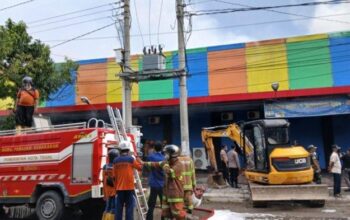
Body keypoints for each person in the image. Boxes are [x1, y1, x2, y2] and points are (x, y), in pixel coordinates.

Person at [143, 145, 195, 220]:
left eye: (166, 154)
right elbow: (155, 164)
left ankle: (189, 218)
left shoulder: (178, 164)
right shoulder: (167, 163)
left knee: (177, 214)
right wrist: (143, 163)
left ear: (171, 155)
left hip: (175, 195)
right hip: (167, 194)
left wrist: (164, 165)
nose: (165, 155)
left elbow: (170, 173)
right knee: (166, 214)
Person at [113, 140, 142, 220]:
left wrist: (115, 189)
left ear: (120, 150)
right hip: (129, 188)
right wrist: (137, 158)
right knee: (129, 208)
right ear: (128, 150)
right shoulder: (131, 159)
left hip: (119, 189)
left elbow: (114, 176)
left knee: (119, 209)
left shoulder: (115, 161)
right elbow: (140, 168)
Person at [145, 141, 165, 220]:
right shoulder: (164, 158)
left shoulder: (150, 157)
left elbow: (147, 168)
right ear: (162, 148)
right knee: (163, 204)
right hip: (162, 184)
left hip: (153, 183)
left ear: (154, 148)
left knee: (151, 205)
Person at [102, 149, 119, 220]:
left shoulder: (105, 167)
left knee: (107, 208)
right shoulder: (117, 167)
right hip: (114, 191)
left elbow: (103, 180)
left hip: (107, 191)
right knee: (113, 208)